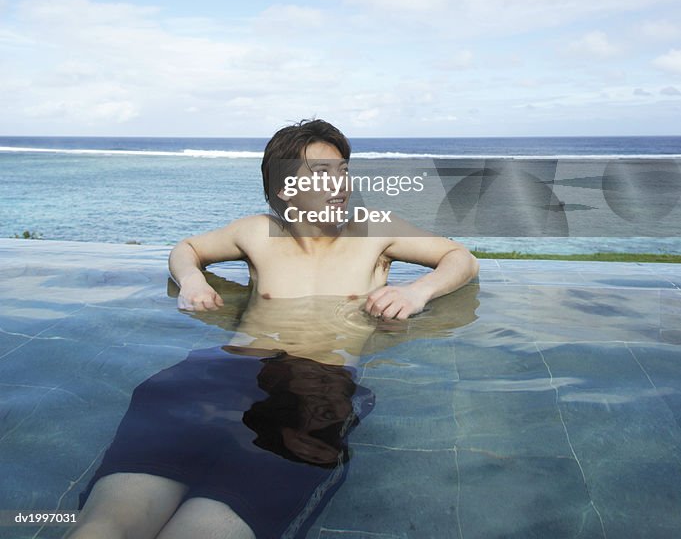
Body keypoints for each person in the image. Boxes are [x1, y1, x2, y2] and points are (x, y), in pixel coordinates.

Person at [67, 119, 479, 539]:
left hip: (315, 389)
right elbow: (186, 248)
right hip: (216, 377)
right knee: (104, 529)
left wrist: (417, 292)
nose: (340, 184)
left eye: (342, 170)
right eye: (321, 174)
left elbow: (459, 257)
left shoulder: (373, 230)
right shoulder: (257, 232)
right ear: (285, 190)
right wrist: (193, 281)